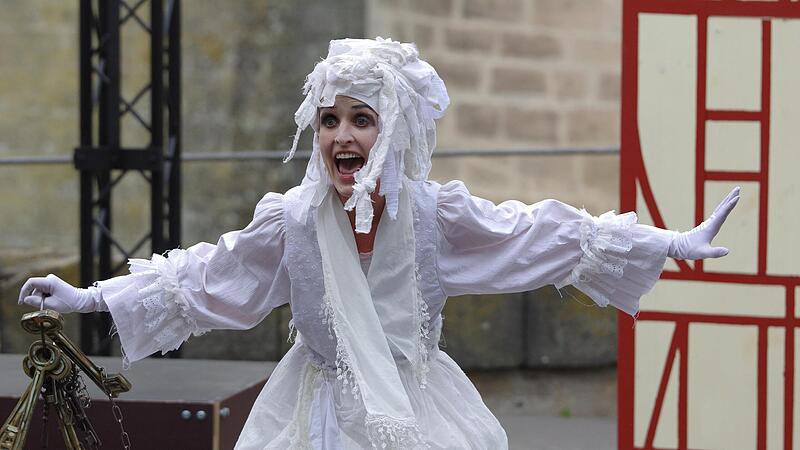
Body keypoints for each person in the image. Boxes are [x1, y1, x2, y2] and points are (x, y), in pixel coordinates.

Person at [18, 38, 739, 449]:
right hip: (316, 413)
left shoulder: (433, 216)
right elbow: (213, 274)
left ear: (389, 131)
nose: (342, 135)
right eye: (329, 120)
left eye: (361, 119)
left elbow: (537, 234)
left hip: (417, 406)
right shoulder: (294, 220)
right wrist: (89, 295)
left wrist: (669, 241)